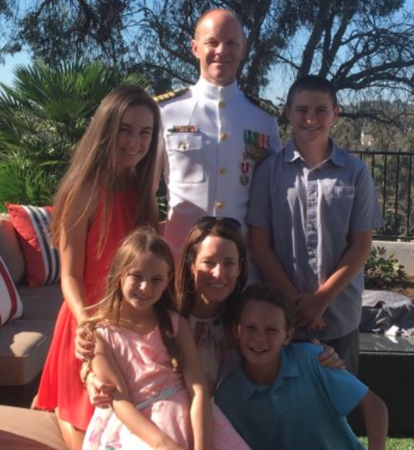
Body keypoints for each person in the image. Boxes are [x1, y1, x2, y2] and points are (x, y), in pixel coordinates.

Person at [34, 85, 161, 450]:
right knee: (89, 427)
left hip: (128, 321)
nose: (135, 142)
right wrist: (87, 322)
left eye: (145, 133)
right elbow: (70, 275)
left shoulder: (141, 190)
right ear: (106, 129)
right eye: (125, 129)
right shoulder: (86, 190)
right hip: (87, 318)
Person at [247, 75, 384, 373]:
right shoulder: (268, 173)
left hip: (339, 316)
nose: (310, 119)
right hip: (281, 320)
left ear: (335, 113)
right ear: (288, 113)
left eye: (321, 110)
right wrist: (297, 304)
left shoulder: (356, 173)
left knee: (337, 407)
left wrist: (322, 299)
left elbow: (361, 245)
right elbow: (259, 245)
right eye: (302, 110)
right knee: (284, 406)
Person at [81, 228, 250, 450]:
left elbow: (198, 388)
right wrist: (165, 445)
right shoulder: (101, 334)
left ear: (168, 279)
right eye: (137, 276)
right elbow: (121, 401)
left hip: (186, 415)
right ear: (119, 272)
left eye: (156, 279)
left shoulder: (174, 323)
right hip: (138, 426)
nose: (145, 287)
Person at [155, 9, 282, 279]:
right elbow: (145, 189)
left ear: (244, 49)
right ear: (195, 47)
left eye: (231, 43)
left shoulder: (262, 119)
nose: (221, 50)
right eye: (212, 42)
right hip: (181, 262)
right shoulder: (166, 111)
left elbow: (276, 192)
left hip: (241, 266)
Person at [175, 217, 344, 392]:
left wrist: (320, 355)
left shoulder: (246, 317)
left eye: (229, 263)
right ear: (191, 264)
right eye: (209, 262)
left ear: (239, 268)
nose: (219, 274)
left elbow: (276, 349)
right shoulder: (164, 315)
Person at [214, 284, 388, 450]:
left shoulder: (313, 360)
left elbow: (374, 406)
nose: (259, 338)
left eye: (271, 330)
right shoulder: (227, 396)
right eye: (251, 327)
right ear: (236, 331)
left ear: (287, 335)